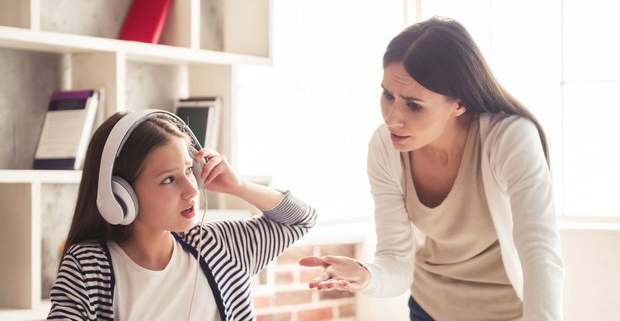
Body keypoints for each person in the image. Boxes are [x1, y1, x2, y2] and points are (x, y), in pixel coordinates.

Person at [300, 17, 563, 320]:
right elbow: (396, 263)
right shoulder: (386, 147)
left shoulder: (510, 138)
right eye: (387, 95)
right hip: (429, 308)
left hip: (506, 312)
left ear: (459, 104)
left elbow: (540, 253)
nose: (392, 118)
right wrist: (366, 274)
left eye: (413, 105)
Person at [47, 110, 317, 320]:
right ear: (121, 194)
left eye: (189, 170)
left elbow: (301, 219)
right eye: (168, 179)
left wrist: (239, 186)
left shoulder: (219, 247)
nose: (191, 190)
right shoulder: (89, 266)